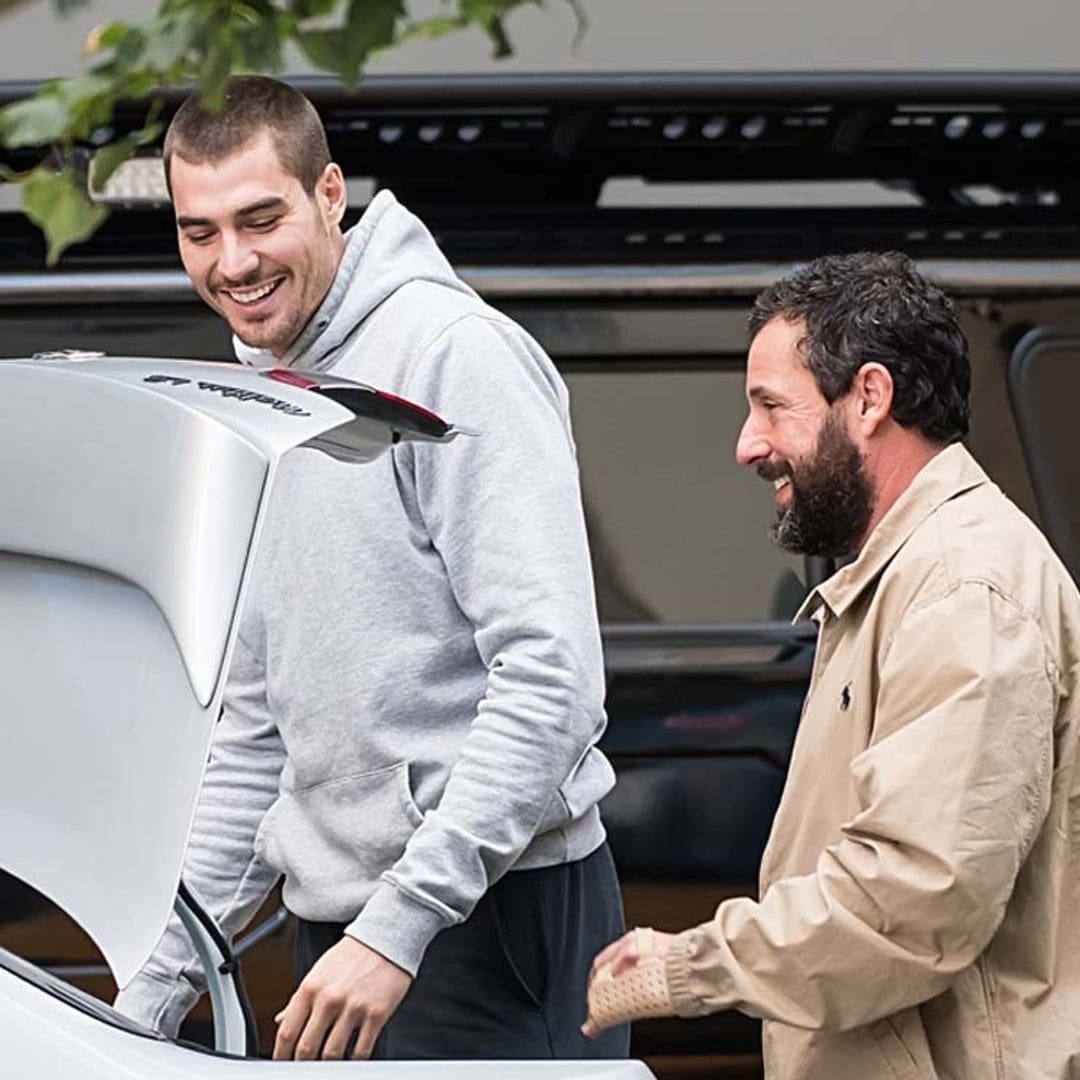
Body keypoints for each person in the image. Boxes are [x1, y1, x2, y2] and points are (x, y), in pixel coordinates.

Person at [113, 75, 628, 1062]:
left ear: (330, 195)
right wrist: (161, 977)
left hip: (494, 923)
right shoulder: (268, 396)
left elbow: (552, 682)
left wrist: (397, 927)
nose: (234, 261)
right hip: (348, 934)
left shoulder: (454, 358)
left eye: (260, 218)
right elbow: (257, 726)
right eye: (199, 231)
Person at [583, 252, 1080, 1079]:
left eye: (773, 407)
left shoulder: (962, 589)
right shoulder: (912, 574)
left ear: (871, 398)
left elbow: (913, 901)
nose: (749, 445)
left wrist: (688, 968)